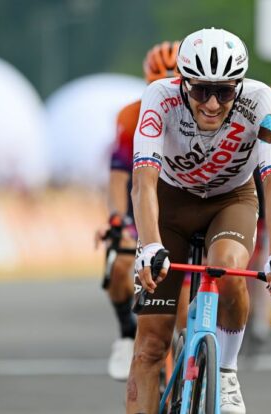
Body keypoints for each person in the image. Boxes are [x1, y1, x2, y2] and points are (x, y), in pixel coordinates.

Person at [127, 28, 271, 414]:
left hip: (231, 198)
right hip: (171, 203)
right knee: (151, 346)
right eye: (202, 91)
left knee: (229, 269)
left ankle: (226, 370)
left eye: (225, 91)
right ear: (182, 83)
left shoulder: (261, 101)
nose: (214, 104)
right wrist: (151, 244)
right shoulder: (159, 98)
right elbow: (143, 183)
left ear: (240, 85)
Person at [94, 41, 181, 381]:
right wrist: (117, 218)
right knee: (121, 264)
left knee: (184, 310)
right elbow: (118, 178)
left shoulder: (206, 110)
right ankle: (126, 333)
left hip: (178, 208)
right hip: (140, 202)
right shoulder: (131, 116)